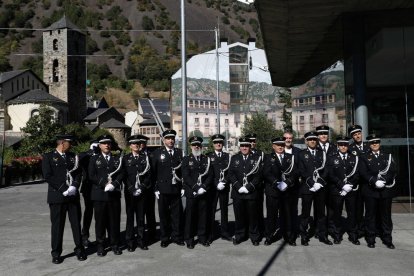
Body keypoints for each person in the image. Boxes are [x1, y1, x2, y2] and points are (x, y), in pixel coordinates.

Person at [42, 134, 86, 264]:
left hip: (72, 196)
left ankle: (79, 249)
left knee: (76, 224)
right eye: (69, 143)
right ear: (62, 143)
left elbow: (78, 173)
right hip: (57, 196)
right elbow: (48, 176)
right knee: (57, 226)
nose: (71, 145)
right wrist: (63, 189)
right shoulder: (48, 157)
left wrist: (74, 186)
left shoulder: (73, 157)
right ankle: (56, 253)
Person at [359, 134, 397, 249]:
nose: (375, 144)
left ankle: (387, 238)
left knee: (385, 216)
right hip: (370, 191)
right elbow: (363, 172)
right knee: (370, 216)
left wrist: (384, 180)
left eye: (376, 142)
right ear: (369, 144)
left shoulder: (387, 155)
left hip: (385, 191)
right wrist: (374, 181)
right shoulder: (364, 156)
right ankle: (371, 238)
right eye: (372, 142)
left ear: (379, 143)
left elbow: (393, 170)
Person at [88, 134, 124, 256]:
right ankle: (101, 245)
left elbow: (121, 173)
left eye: (108, 143)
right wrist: (104, 184)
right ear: (99, 146)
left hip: (114, 194)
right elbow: (91, 175)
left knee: (114, 221)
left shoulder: (116, 159)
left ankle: (115, 244)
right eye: (104, 143)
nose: (107, 145)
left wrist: (114, 184)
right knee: (100, 222)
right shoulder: (94, 159)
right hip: (99, 195)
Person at [150, 129, 185, 248]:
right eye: (168, 138)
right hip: (162, 189)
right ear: (163, 140)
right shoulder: (157, 153)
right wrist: (155, 188)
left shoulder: (180, 153)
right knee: (163, 215)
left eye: (172, 138)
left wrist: (183, 187)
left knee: (177, 214)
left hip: (176, 188)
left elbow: (183, 172)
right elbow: (153, 173)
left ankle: (177, 236)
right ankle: (164, 237)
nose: (171, 140)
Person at [263, 137, 299, 246]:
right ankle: (269, 236)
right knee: (271, 216)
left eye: (282, 145)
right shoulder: (268, 157)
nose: (280, 147)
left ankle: (289, 237)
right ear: (273, 146)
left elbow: (296, 172)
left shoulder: (291, 157)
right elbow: (266, 173)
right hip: (273, 191)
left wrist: (287, 182)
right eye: (278, 145)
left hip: (287, 192)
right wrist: (276, 183)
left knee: (288, 216)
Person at [298, 131, 332, 246]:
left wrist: (320, 182)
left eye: (314, 139)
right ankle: (304, 235)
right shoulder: (301, 154)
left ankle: (322, 235)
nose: (312, 141)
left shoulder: (322, 153)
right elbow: (301, 171)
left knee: (321, 213)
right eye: (310, 139)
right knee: (305, 213)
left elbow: (327, 169)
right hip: (307, 188)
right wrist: (312, 183)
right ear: (306, 141)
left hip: (320, 188)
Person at [228, 137, 263, 246]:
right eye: (242, 146)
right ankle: (240, 235)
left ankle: (254, 236)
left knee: (253, 216)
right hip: (238, 193)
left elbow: (259, 175)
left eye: (246, 146)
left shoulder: (257, 158)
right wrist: (238, 186)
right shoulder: (234, 158)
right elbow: (231, 174)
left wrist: (249, 187)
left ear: (250, 146)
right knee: (239, 216)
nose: (244, 148)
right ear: (240, 146)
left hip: (251, 193)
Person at [326, 135, 360, 245]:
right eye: (341, 145)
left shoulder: (354, 158)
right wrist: (341, 185)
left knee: (352, 213)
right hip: (337, 190)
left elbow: (357, 174)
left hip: (351, 190)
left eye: (345, 145)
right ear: (337, 146)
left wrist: (350, 185)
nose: (343, 147)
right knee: (337, 213)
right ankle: (337, 235)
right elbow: (330, 174)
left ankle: (353, 235)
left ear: (348, 145)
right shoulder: (332, 158)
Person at [182, 136, 214, 249]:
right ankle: (189, 239)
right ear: (191, 146)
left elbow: (210, 175)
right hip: (192, 193)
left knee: (203, 217)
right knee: (190, 217)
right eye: (194, 144)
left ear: (201, 146)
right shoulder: (186, 159)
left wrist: (204, 187)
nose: (196, 146)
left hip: (204, 192)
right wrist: (196, 188)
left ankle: (202, 238)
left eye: (198, 145)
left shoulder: (206, 159)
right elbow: (186, 176)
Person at [123, 135, 152, 251]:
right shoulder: (125, 159)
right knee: (130, 218)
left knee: (141, 218)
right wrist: (131, 188)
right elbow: (124, 175)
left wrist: (142, 187)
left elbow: (149, 176)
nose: (136, 145)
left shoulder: (145, 159)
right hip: (130, 193)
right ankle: (130, 243)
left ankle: (141, 241)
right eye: (134, 143)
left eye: (138, 143)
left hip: (141, 192)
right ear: (130, 146)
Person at [207, 134, 232, 242]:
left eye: (220, 142)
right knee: (211, 210)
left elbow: (230, 172)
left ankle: (225, 233)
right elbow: (207, 173)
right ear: (213, 144)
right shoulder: (208, 156)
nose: (218, 144)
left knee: (224, 210)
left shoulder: (228, 156)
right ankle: (210, 234)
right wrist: (216, 183)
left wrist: (225, 182)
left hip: (224, 187)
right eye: (216, 142)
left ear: (223, 144)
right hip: (213, 188)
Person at [348, 124, 369, 238]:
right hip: (356, 184)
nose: (357, 136)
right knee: (357, 209)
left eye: (359, 133)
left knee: (370, 209)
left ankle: (370, 230)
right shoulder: (350, 148)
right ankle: (358, 230)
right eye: (355, 134)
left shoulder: (369, 146)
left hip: (368, 183)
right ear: (352, 137)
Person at [316, 125, 337, 238]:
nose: (323, 135)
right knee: (319, 209)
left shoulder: (334, 147)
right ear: (318, 135)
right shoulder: (315, 148)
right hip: (320, 183)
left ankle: (331, 229)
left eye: (325, 133)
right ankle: (319, 230)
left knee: (332, 209)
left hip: (332, 183)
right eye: (321, 133)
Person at [78, 140, 99, 248]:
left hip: (100, 188)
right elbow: (79, 161)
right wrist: (90, 151)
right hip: (88, 188)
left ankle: (101, 237)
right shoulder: (85, 155)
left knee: (101, 213)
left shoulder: (101, 155)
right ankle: (84, 236)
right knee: (89, 212)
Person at [138, 135, 157, 242]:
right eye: (139, 143)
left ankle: (152, 234)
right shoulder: (133, 156)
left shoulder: (151, 155)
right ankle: (141, 236)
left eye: (143, 143)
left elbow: (155, 171)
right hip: (138, 189)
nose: (141, 145)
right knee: (140, 214)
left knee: (150, 213)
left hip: (149, 188)